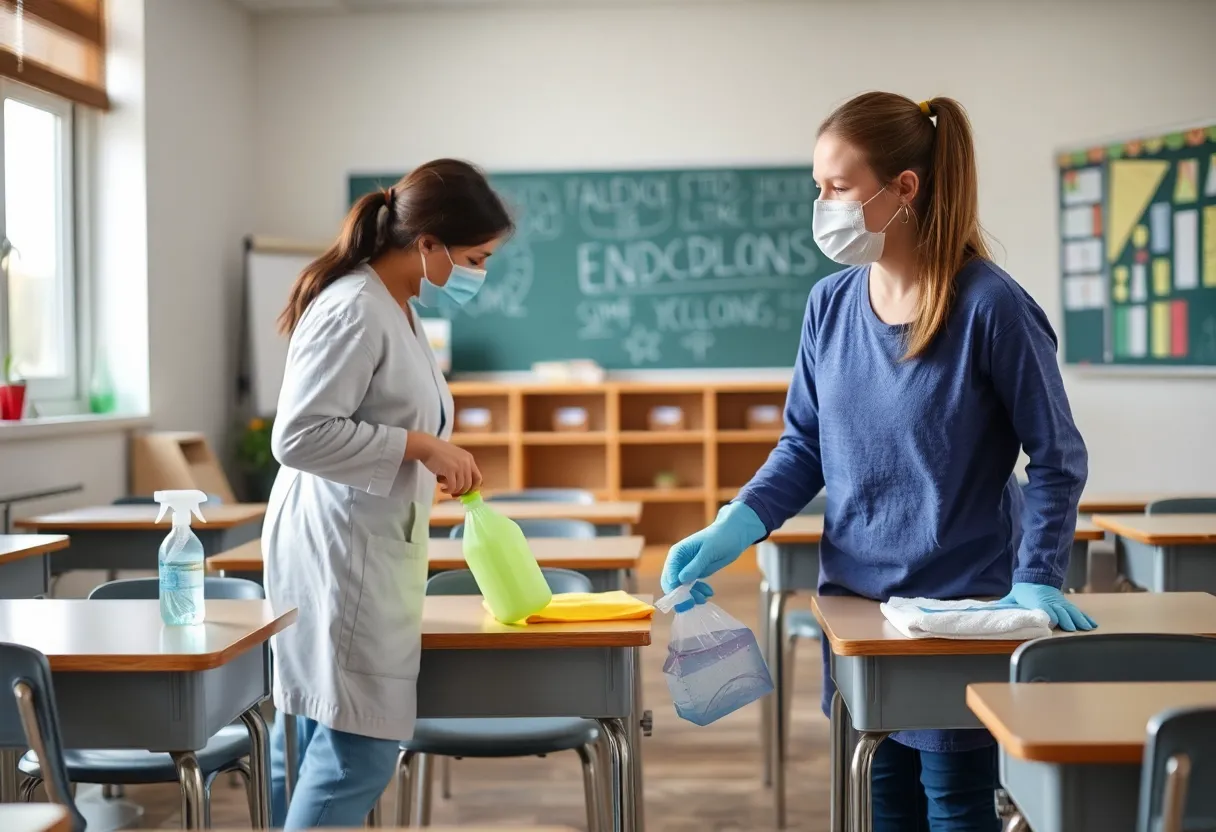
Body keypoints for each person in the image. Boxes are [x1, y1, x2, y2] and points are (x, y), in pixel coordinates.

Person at [661, 93, 1094, 830]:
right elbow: (804, 445)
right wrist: (736, 525)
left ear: (904, 189)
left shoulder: (989, 306)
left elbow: (1056, 455)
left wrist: (1037, 576)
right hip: (857, 606)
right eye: (817, 187)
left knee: (956, 804)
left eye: (838, 186)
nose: (821, 205)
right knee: (879, 800)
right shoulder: (829, 305)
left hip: (963, 609)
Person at [263, 159, 513, 829]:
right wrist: (421, 447)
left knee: (322, 731)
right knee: (360, 750)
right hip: (341, 548)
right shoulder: (355, 308)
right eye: (475, 256)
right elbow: (299, 435)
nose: (478, 273)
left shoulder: (394, 305)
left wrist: (425, 448)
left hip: (360, 538)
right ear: (428, 242)